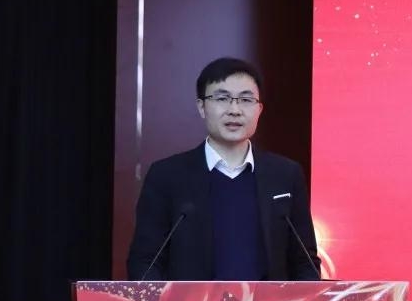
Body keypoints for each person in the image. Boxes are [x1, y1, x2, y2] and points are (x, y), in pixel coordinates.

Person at [126, 57, 321, 281]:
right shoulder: (167, 176)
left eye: (245, 100)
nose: (234, 110)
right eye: (222, 98)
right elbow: (145, 262)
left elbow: (305, 262)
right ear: (202, 107)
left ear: (259, 109)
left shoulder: (285, 175)